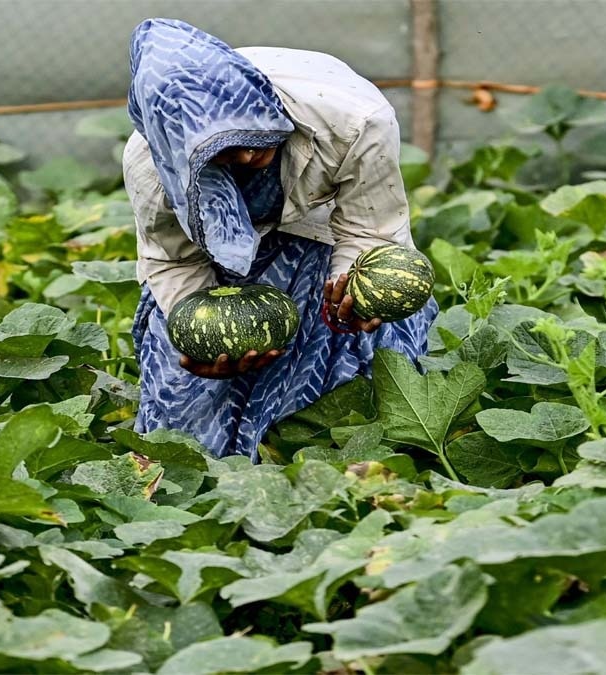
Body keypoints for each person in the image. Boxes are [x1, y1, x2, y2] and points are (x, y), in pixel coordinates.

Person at [124, 18, 437, 460]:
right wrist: (199, 331)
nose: (250, 155)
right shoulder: (150, 167)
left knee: (345, 370)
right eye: (226, 152)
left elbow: (370, 228)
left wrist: (355, 289)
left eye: (253, 135)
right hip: (207, 253)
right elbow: (172, 261)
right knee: (187, 413)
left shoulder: (355, 120)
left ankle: (342, 467)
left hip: (320, 224)